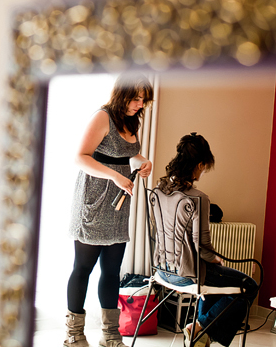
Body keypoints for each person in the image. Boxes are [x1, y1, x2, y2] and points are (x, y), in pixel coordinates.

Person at [64, 73, 155, 347]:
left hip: (118, 204)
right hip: (93, 199)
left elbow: (124, 154)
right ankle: (74, 334)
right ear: (122, 93)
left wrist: (142, 160)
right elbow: (80, 157)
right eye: (136, 98)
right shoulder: (103, 116)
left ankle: (111, 335)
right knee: (83, 268)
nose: (139, 104)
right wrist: (114, 176)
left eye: (143, 100)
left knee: (112, 269)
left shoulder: (131, 119)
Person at [155, 133, 259, 347]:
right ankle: (200, 328)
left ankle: (201, 337)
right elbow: (202, 248)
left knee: (214, 278)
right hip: (187, 274)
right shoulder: (198, 198)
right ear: (200, 164)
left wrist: (212, 260)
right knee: (249, 285)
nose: (202, 172)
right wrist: (217, 260)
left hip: (162, 269)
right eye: (203, 167)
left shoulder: (160, 190)